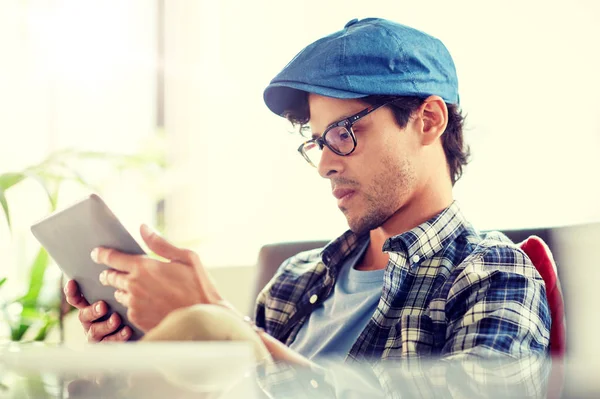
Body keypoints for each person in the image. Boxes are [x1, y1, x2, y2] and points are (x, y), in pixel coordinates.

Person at [65, 18, 550, 366]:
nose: (324, 164)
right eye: (317, 142)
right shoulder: (291, 283)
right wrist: (146, 358)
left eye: (344, 133)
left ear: (428, 120)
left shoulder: (491, 274)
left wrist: (221, 328)